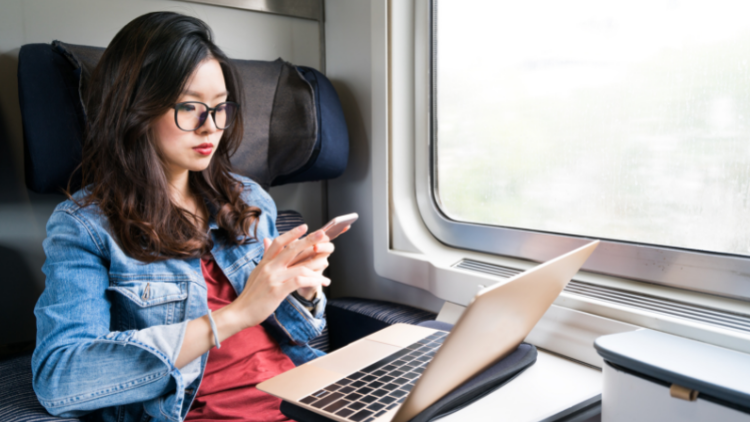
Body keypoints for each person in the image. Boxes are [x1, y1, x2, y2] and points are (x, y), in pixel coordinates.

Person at [31, 12, 335, 422]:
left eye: (220, 107)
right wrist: (235, 315)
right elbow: (61, 380)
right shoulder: (84, 227)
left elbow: (296, 334)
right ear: (135, 110)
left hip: (304, 400)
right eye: (191, 107)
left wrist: (302, 291)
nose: (211, 127)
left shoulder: (247, 198)